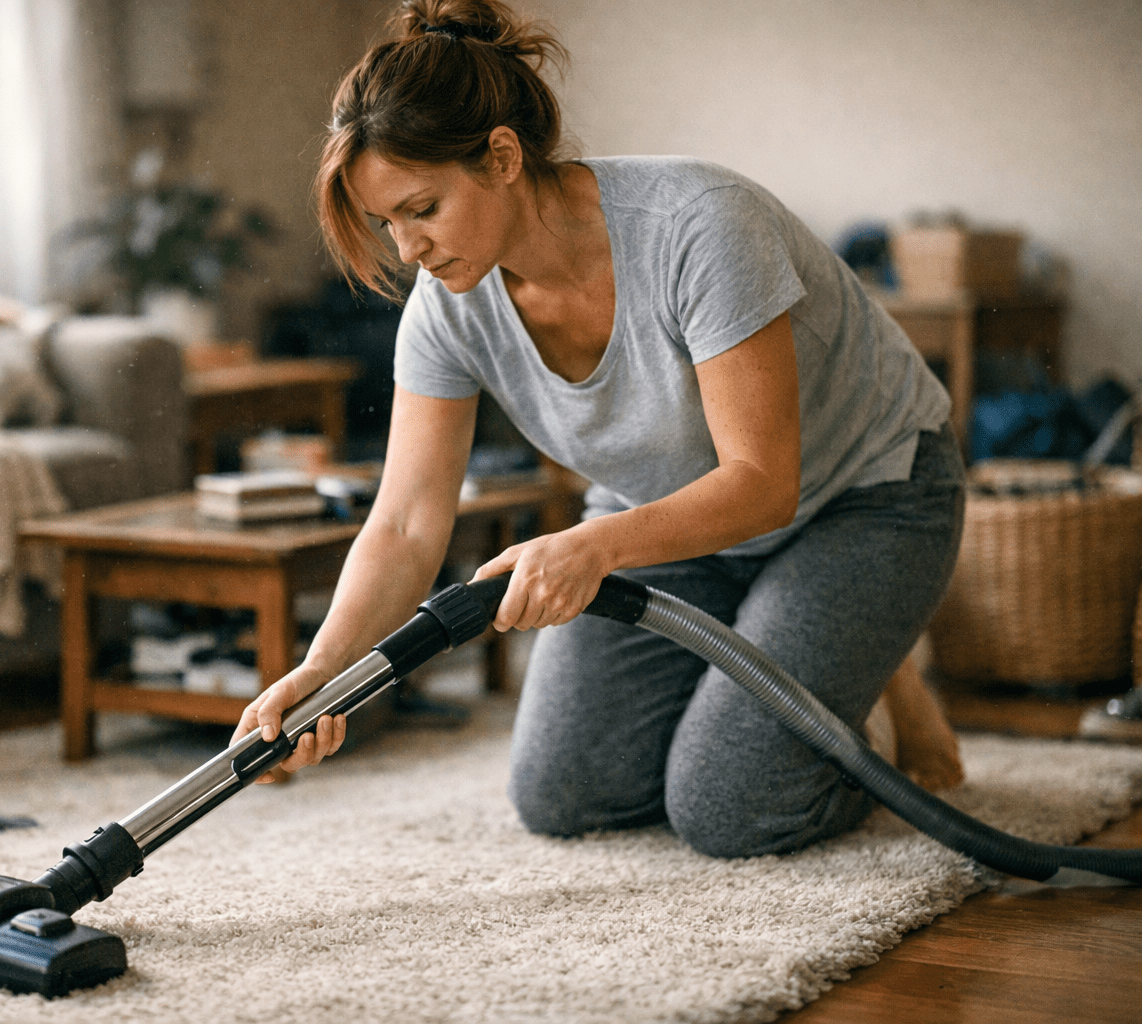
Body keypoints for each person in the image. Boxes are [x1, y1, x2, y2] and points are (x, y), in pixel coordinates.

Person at [232, 0, 966, 858]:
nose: (408, 249)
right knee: (566, 795)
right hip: (673, 525)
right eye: (387, 223)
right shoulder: (445, 308)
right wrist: (326, 672)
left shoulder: (700, 224)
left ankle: (861, 679)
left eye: (422, 207)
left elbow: (764, 481)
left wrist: (591, 549)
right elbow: (404, 523)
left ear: (502, 156)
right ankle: (800, 655)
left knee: (731, 807)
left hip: (866, 500)